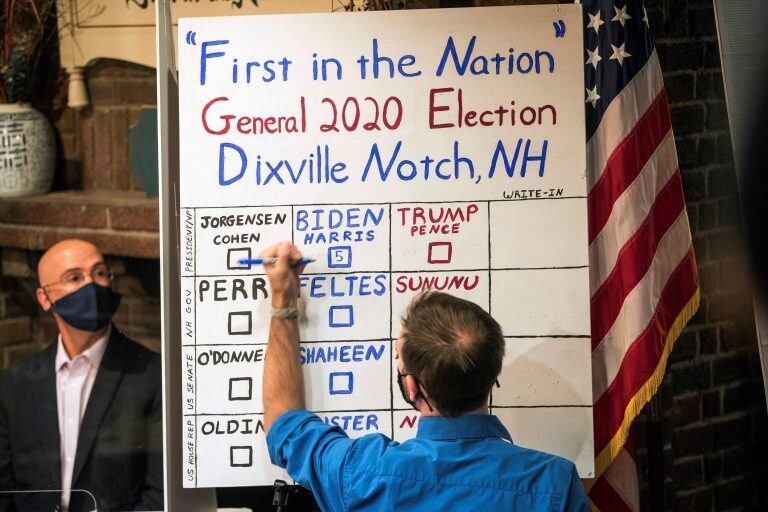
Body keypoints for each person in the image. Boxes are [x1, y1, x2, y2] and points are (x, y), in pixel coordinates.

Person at [261, 241, 589, 511]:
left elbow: (283, 424)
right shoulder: (554, 484)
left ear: (412, 385)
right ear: (493, 373)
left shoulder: (362, 474)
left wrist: (283, 301)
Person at [0, 239, 163, 512]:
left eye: (99, 273)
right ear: (44, 298)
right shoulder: (13, 385)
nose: (92, 285)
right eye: (74, 277)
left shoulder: (152, 375)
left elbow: (160, 493)